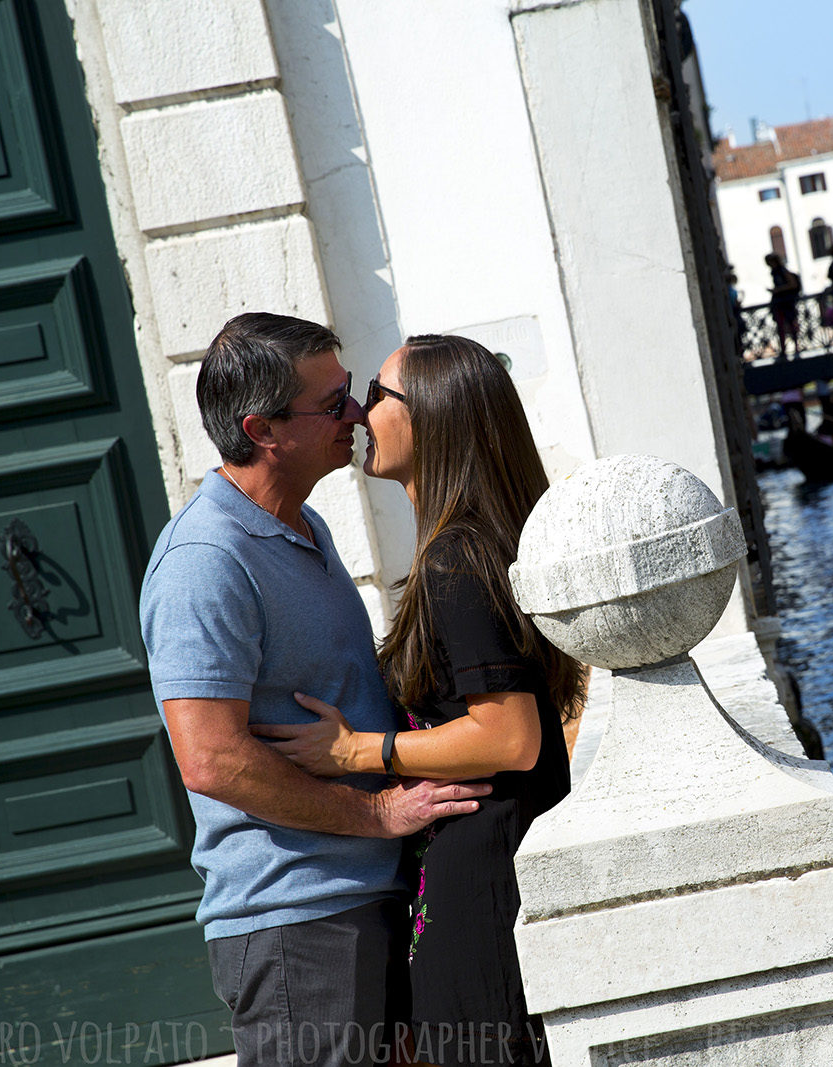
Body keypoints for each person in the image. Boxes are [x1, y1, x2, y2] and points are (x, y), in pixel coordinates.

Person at [139, 313, 491, 1067]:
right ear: (262, 428)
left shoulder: (307, 526)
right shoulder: (203, 561)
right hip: (298, 925)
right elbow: (210, 760)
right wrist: (380, 811)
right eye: (332, 404)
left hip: (361, 905)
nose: (357, 414)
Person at [254, 335, 585, 1067]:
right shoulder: (470, 544)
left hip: (482, 883)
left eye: (379, 392)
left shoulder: (455, 558)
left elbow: (509, 736)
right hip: (484, 868)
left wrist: (359, 751)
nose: (361, 411)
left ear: (433, 416)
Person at [766, 252, 802, 359]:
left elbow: (792, 284)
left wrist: (777, 290)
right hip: (781, 303)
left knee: (789, 324)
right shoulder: (777, 272)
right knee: (782, 325)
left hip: (785, 302)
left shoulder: (782, 271)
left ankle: (794, 346)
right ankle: (785, 348)